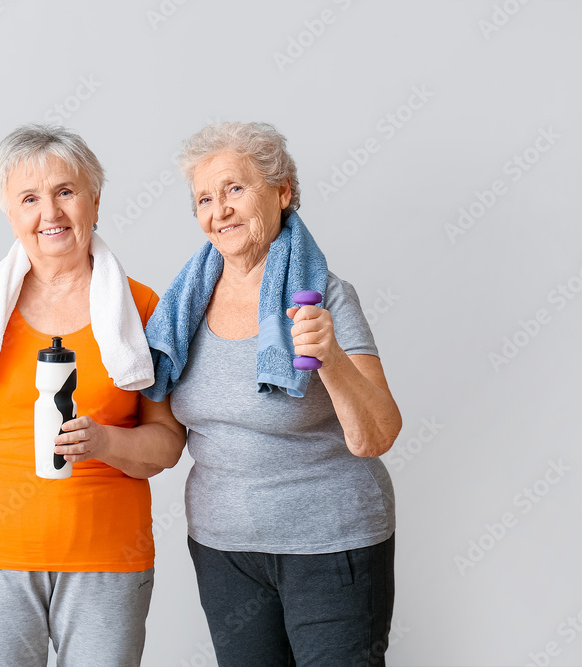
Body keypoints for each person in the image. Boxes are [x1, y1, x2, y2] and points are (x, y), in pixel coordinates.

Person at [0, 124, 186, 667]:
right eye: (30, 199)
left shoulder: (141, 307)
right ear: (10, 213)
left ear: (94, 200)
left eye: (66, 191)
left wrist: (106, 442)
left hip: (108, 558)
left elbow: (167, 444)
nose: (51, 213)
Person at [144, 121, 402, 666]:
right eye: (205, 199)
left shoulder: (328, 296)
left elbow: (378, 433)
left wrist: (329, 359)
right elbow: (160, 428)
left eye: (236, 189)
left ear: (282, 192)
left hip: (332, 545)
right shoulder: (183, 306)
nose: (221, 210)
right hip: (224, 550)